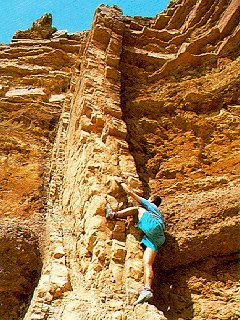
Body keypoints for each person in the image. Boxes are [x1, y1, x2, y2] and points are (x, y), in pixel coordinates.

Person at [105, 182, 165, 305]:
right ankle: (147, 289)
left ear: (152, 200)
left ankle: (113, 214)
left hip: (153, 228)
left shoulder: (151, 206)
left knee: (138, 209)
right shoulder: (158, 214)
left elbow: (130, 193)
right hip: (158, 237)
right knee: (147, 263)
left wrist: (121, 183)